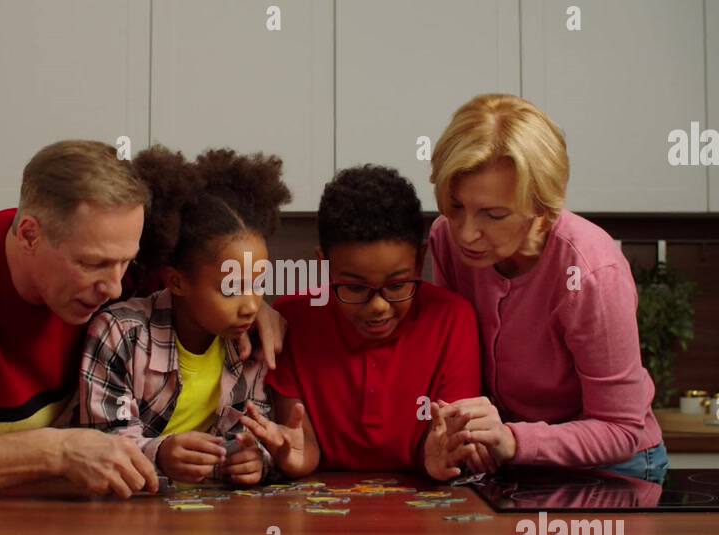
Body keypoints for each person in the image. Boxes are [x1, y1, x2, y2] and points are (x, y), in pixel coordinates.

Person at [0, 140, 287, 535]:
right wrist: (56, 450)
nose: (115, 286)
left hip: (19, 508)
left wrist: (255, 308)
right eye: (93, 265)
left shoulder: (112, 266)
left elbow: (195, 284)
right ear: (30, 234)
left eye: (127, 263)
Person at [426, 94, 669, 483]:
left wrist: (512, 439)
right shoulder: (446, 238)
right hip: (513, 458)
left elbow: (622, 430)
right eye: (456, 207)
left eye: (493, 214)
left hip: (613, 469)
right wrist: (469, 434)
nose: (467, 232)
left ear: (541, 205)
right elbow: (460, 354)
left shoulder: (591, 270)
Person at [242, 164, 483, 479]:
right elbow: (303, 441)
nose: (379, 307)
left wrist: (439, 457)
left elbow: (443, 434)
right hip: (319, 512)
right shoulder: (293, 319)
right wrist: (293, 455)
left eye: (397, 285)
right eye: (355, 288)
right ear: (324, 265)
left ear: (419, 261)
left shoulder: (452, 319)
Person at [75, 146, 292, 486]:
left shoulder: (251, 343)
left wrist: (255, 460)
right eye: (232, 289)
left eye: (259, 284)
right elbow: (103, 442)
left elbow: (254, 432)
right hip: (128, 515)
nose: (252, 305)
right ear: (176, 281)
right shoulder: (121, 333)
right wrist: (160, 454)